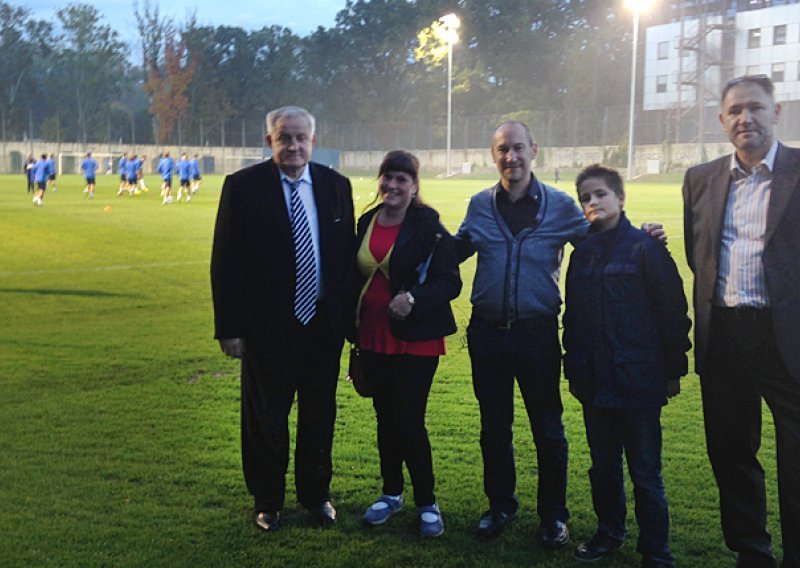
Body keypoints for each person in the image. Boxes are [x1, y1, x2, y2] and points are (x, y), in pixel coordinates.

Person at [454, 120, 663, 548]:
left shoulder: (562, 205)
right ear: (492, 155)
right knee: (494, 427)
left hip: (537, 332)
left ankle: (553, 517)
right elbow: (455, 248)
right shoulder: (479, 204)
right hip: (488, 333)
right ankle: (500, 506)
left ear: (534, 150)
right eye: (502, 150)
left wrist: (643, 237)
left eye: (518, 148)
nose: (510, 157)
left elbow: (604, 237)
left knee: (548, 427)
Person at [211, 105, 355, 533]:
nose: (293, 145)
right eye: (284, 137)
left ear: (313, 140)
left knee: (319, 417)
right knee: (265, 419)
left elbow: (345, 259)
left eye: (301, 138)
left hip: (321, 328)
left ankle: (315, 497)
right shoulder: (243, 187)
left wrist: (348, 323)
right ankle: (267, 500)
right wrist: (230, 328)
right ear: (268, 141)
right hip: (266, 330)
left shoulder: (335, 186)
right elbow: (226, 260)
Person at [682, 74, 800, 568]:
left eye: (755, 107)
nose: (745, 118)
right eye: (735, 110)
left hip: (787, 338)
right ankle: (752, 552)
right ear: (722, 119)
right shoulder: (701, 178)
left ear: (777, 112)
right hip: (725, 335)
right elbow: (698, 254)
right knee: (730, 453)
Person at [563, 164, 691, 567]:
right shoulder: (581, 254)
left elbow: (673, 314)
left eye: (600, 194)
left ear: (620, 198)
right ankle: (609, 533)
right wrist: (574, 369)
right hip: (594, 381)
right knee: (603, 467)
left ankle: (657, 550)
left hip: (638, 382)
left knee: (646, 473)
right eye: (586, 197)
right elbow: (572, 319)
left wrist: (674, 370)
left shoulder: (646, 248)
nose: (593, 202)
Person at [349, 150, 461, 538]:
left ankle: (427, 502)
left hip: (416, 340)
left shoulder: (427, 225)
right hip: (373, 335)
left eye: (402, 180)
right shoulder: (366, 221)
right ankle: (391, 493)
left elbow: (450, 281)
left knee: (409, 420)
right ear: (379, 181)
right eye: (387, 178)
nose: (392, 186)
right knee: (385, 417)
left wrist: (414, 299)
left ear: (414, 187)